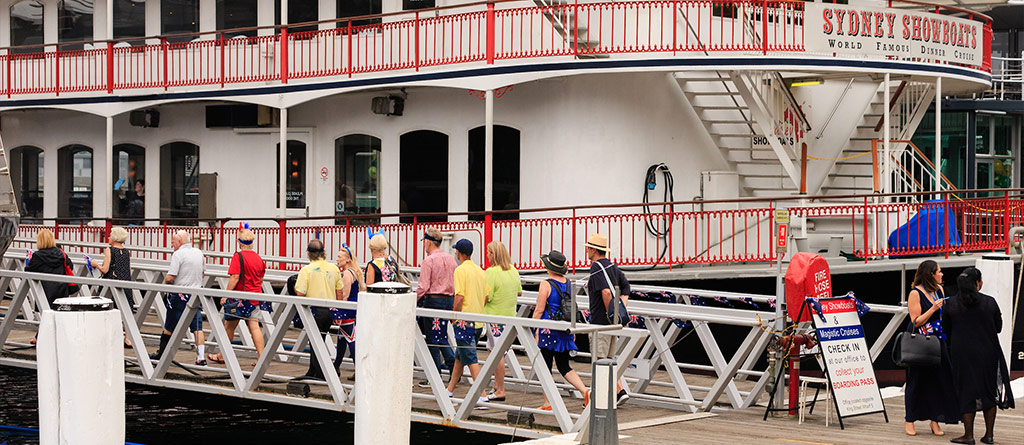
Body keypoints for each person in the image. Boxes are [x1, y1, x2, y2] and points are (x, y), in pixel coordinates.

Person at [944, 267, 1015, 445]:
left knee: (966, 391)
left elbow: (947, 330)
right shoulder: (989, 303)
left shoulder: (951, 304)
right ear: (978, 283)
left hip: (962, 353)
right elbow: (998, 327)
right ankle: (989, 435)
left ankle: (968, 435)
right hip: (987, 352)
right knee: (988, 391)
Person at [903, 260, 960, 436]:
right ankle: (910, 419)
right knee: (917, 380)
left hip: (938, 339)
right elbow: (915, 321)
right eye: (939, 272)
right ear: (930, 274)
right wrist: (933, 308)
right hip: (921, 341)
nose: (942, 274)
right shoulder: (915, 293)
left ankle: (935, 419)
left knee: (940, 379)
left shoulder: (939, 290)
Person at [533, 250, 590, 411]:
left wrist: (533, 328)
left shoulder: (546, 284)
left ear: (549, 267)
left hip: (547, 330)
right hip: (564, 328)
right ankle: (585, 391)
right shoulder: (569, 283)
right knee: (564, 365)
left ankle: (548, 403)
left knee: (545, 367)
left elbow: (539, 309)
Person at [206, 228, 268, 367]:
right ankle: (261, 357)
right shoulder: (259, 258)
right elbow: (261, 278)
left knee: (229, 327)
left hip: (239, 298)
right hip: (255, 296)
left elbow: (235, 277)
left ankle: (222, 355)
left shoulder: (238, 256)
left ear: (239, 243)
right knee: (255, 327)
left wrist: (226, 295)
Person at [584, 233, 630, 405]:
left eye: (588, 247)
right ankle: (616, 393)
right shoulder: (612, 266)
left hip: (600, 322)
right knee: (609, 359)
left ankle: (615, 393)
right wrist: (619, 310)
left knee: (600, 359)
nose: (587, 251)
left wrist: (610, 313)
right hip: (613, 324)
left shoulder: (595, 267)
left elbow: (605, 292)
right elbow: (626, 288)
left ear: (594, 250)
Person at [150, 231, 208, 366]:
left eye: (173, 242)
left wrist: (166, 282)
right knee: (197, 327)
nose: (172, 245)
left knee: (169, 326)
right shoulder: (198, 252)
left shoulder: (178, 255)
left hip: (179, 295)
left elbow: (170, 277)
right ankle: (200, 357)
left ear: (180, 241)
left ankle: (162, 355)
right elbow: (203, 273)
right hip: (195, 294)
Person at [294, 239, 345, 380]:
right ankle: (313, 370)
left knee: (315, 340)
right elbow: (339, 291)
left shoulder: (306, 270)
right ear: (323, 252)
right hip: (330, 309)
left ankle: (321, 373)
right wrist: (339, 310)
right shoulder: (334, 268)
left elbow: (300, 292)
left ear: (308, 253)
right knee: (319, 339)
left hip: (314, 310)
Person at [445, 239, 489, 398]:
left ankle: (482, 395)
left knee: (470, 358)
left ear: (459, 253)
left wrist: (454, 317)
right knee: (460, 356)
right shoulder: (480, 271)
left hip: (464, 321)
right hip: (477, 319)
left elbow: (459, 297)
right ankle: (449, 390)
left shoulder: (460, 270)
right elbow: (486, 296)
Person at [479, 241, 521, 404]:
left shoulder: (491, 272)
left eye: (489, 252)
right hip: (509, 316)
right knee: (496, 352)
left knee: (496, 353)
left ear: (493, 254)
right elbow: (519, 291)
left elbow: (486, 296)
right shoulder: (513, 270)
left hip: (494, 317)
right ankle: (497, 386)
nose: (487, 256)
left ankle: (500, 389)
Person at [415, 227, 457, 386]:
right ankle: (451, 366)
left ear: (428, 242)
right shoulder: (451, 259)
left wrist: (414, 299)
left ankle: (436, 374)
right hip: (448, 300)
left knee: (433, 338)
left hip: (433, 301)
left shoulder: (429, 260)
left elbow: (423, 286)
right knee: (441, 335)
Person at [87, 226, 134, 347]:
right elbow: (128, 270)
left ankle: (106, 335)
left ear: (114, 238)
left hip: (112, 283)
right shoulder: (126, 251)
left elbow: (105, 269)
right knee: (126, 310)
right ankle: (128, 338)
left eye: (109, 235)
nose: (108, 237)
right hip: (125, 283)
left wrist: (95, 264)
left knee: (105, 307)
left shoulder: (110, 250)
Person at [333, 244, 365, 379]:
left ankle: (359, 369)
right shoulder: (356, 272)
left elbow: (344, 296)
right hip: (354, 308)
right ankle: (336, 366)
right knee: (342, 338)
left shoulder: (347, 274)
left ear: (347, 260)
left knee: (351, 339)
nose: (337, 259)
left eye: (339, 257)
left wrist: (337, 310)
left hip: (347, 310)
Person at [26, 228, 77, 307]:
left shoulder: (37, 255)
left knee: (45, 313)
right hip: (62, 289)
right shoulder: (61, 253)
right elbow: (70, 266)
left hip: (44, 290)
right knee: (60, 313)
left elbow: (29, 271)